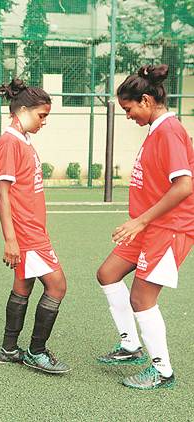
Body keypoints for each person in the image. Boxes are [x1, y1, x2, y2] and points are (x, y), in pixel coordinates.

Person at [95, 64, 194, 389]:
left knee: (142, 298)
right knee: (107, 273)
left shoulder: (168, 131)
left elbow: (183, 185)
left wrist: (140, 220)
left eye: (129, 109)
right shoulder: (157, 130)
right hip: (149, 227)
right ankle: (130, 346)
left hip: (169, 228)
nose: (128, 116)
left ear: (147, 101)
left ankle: (162, 370)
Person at [0, 79, 69, 374]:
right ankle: (37, 351)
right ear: (22, 110)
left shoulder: (23, 140)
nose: (44, 122)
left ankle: (9, 348)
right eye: (42, 115)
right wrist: (10, 239)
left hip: (32, 228)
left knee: (23, 285)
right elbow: (2, 194)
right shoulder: (10, 141)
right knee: (58, 285)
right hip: (27, 233)